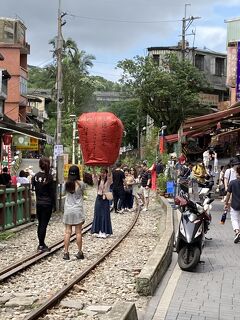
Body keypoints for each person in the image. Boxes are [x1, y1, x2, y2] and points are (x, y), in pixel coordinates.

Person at [32, 157, 56, 252]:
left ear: (39, 165)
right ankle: (41, 245)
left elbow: (34, 188)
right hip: (47, 203)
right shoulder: (50, 177)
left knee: (40, 223)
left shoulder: (35, 177)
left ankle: (41, 243)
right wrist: (54, 205)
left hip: (39, 203)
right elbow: (52, 193)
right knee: (44, 224)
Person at [63, 165, 85, 260]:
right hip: (78, 210)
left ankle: (66, 253)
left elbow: (62, 193)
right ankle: (80, 252)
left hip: (68, 210)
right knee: (78, 232)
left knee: (68, 232)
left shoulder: (66, 184)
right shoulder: (81, 184)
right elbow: (83, 192)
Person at [91, 167, 113, 238]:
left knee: (105, 214)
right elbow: (94, 177)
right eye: (101, 172)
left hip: (105, 198)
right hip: (99, 198)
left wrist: (109, 166)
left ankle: (104, 231)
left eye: (104, 172)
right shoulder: (98, 181)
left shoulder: (108, 181)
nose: (102, 174)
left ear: (106, 173)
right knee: (97, 214)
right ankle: (98, 230)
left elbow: (110, 175)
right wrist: (93, 167)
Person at [224, 165, 240, 243]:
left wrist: (226, 203)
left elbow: (228, 194)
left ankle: (237, 232)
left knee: (234, 219)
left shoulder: (232, 182)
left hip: (235, 204)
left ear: (237, 173)